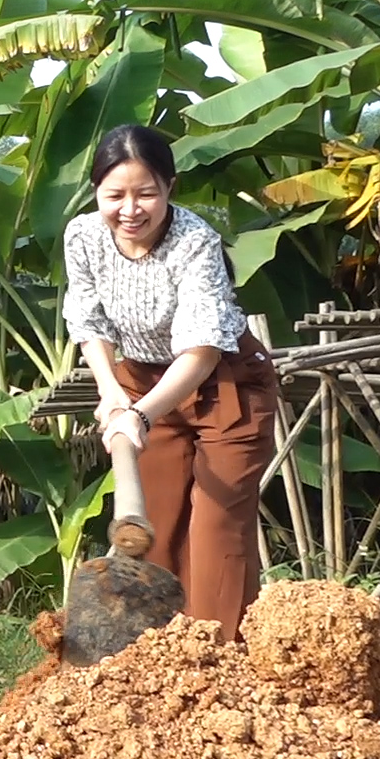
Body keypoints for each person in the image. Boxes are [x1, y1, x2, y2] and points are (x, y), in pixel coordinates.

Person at [63, 123, 276, 641]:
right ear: (96, 192)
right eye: (115, 195)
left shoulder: (195, 242)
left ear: (169, 189)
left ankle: (217, 658)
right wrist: (112, 394)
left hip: (222, 382)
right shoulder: (84, 235)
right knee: (152, 525)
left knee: (216, 532)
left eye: (146, 194)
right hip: (137, 377)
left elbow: (200, 352)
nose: (130, 209)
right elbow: (89, 322)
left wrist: (140, 414)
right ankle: (151, 655)